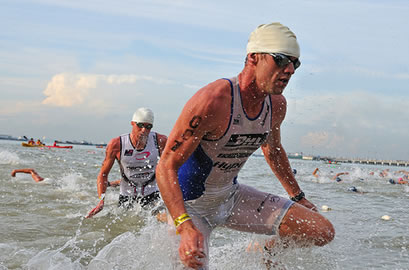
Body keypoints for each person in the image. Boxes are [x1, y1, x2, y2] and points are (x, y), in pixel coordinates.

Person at [156, 22, 335, 269]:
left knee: (320, 230)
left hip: (231, 198)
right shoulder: (212, 101)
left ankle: (267, 251)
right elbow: (166, 166)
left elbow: (272, 150)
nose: (290, 70)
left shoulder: (277, 105)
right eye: (282, 59)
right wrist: (183, 223)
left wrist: (298, 196)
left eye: (296, 63)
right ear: (254, 57)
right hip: (191, 208)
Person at [86, 108, 167, 218]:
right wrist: (101, 201)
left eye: (148, 127)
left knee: (165, 220)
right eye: (140, 125)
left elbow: (172, 169)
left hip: (152, 193)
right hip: (127, 195)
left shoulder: (160, 141)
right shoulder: (117, 144)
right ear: (132, 123)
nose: (144, 130)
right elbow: (103, 174)